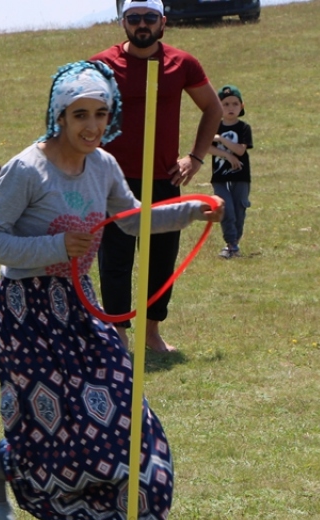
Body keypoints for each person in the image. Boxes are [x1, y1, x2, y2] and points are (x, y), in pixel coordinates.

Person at [0, 61, 220, 520]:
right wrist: (58, 247)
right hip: (27, 312)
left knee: (124, 411)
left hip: (83, 308)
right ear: (59, 115)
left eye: (101, 114)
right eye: (81, 114)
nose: (93, 126)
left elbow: (131, 221)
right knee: (53, 423)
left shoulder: (102, 164)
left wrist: (195, 208)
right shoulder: (26, 168)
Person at [91, 0, 222, 353]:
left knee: (160, 260)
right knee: (115, 260)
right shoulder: (101, 65)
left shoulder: (183, 63)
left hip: (165, 178)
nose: (142, 25)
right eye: (134, 19)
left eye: (149, 18)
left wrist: (195, 158)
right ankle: (118, 335)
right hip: (113, 181)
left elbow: (213, 107)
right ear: (124, 22)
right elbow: (78, 112)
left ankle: (151, 335)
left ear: (163, 21)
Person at [209, 85, 252, 259]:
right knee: (226, 208)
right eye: (225, 104)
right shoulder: (213, 127)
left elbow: (240, 151)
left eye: (235, 104)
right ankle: (231, 243)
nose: (230, 108)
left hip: (241, 177)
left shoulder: (243, 128)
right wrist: (226, 155)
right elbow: (206, 147)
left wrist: (221, 139)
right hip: (220, 177)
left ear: (241, 106)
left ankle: (235, 243)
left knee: (239, 209)